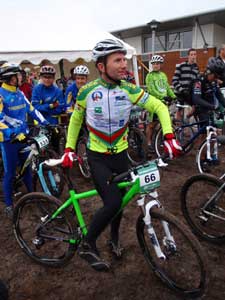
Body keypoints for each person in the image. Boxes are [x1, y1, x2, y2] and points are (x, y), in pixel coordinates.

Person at [62, 39, 182, 271]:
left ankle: (114, 239)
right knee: (113, 201)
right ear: (101, 66)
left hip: (121, 156)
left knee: (119, 203)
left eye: (124, 59)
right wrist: (69, 149)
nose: (123, 64)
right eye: (117, 60)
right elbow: (76, 120)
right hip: (97, 157)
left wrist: (169, 136)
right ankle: (87, 244)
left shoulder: (129, 89)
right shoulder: (87, 91)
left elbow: (159, 107)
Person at [0, 63, 48, 217]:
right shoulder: (1, 94)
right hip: (9, 141)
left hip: (23, 136)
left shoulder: (19, 93)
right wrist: (11, 133)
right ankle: (8, 204)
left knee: (27, 168)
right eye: (17, 75)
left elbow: (32, 110)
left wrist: (46, 123)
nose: (21, 77)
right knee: (10, 173)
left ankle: (32, 196)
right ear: (10, 78)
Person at [145, 55, 176, 151]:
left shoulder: (163, 75)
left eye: (157, 63)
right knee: (151, 125)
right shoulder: (149, 76)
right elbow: (151, 90)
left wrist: (174, 96)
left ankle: (162, 141)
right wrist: (162, 97)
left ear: (160, 65)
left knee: (165, 123)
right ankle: (148, 143)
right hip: (153, 103)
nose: (155, 65)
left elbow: (166, 87)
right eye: (154, 64)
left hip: (164, 103)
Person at [172, 48, 199, 120]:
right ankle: (178, 127)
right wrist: (181, 90)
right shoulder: (181, 66)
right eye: (191, 54)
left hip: (189, 94)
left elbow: (197, 82)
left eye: (194, 54)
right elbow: (174, 80)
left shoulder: (196, 68)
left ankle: (186, 119)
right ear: (188, 56)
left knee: (196, 107)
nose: (193, 56)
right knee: (179, 111)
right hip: (180, 93)